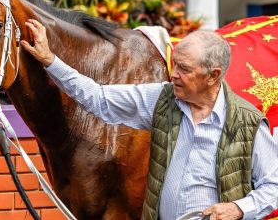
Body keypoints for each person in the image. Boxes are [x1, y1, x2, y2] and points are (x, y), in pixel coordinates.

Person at [21, 19, 278, 220]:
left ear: (213, 76)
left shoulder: (247, 123)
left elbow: (274, 186)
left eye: (184, 69)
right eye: (175, 64)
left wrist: (238, 209)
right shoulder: (162, 100)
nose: (173, 74)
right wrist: (50, 60)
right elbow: (97, 98)